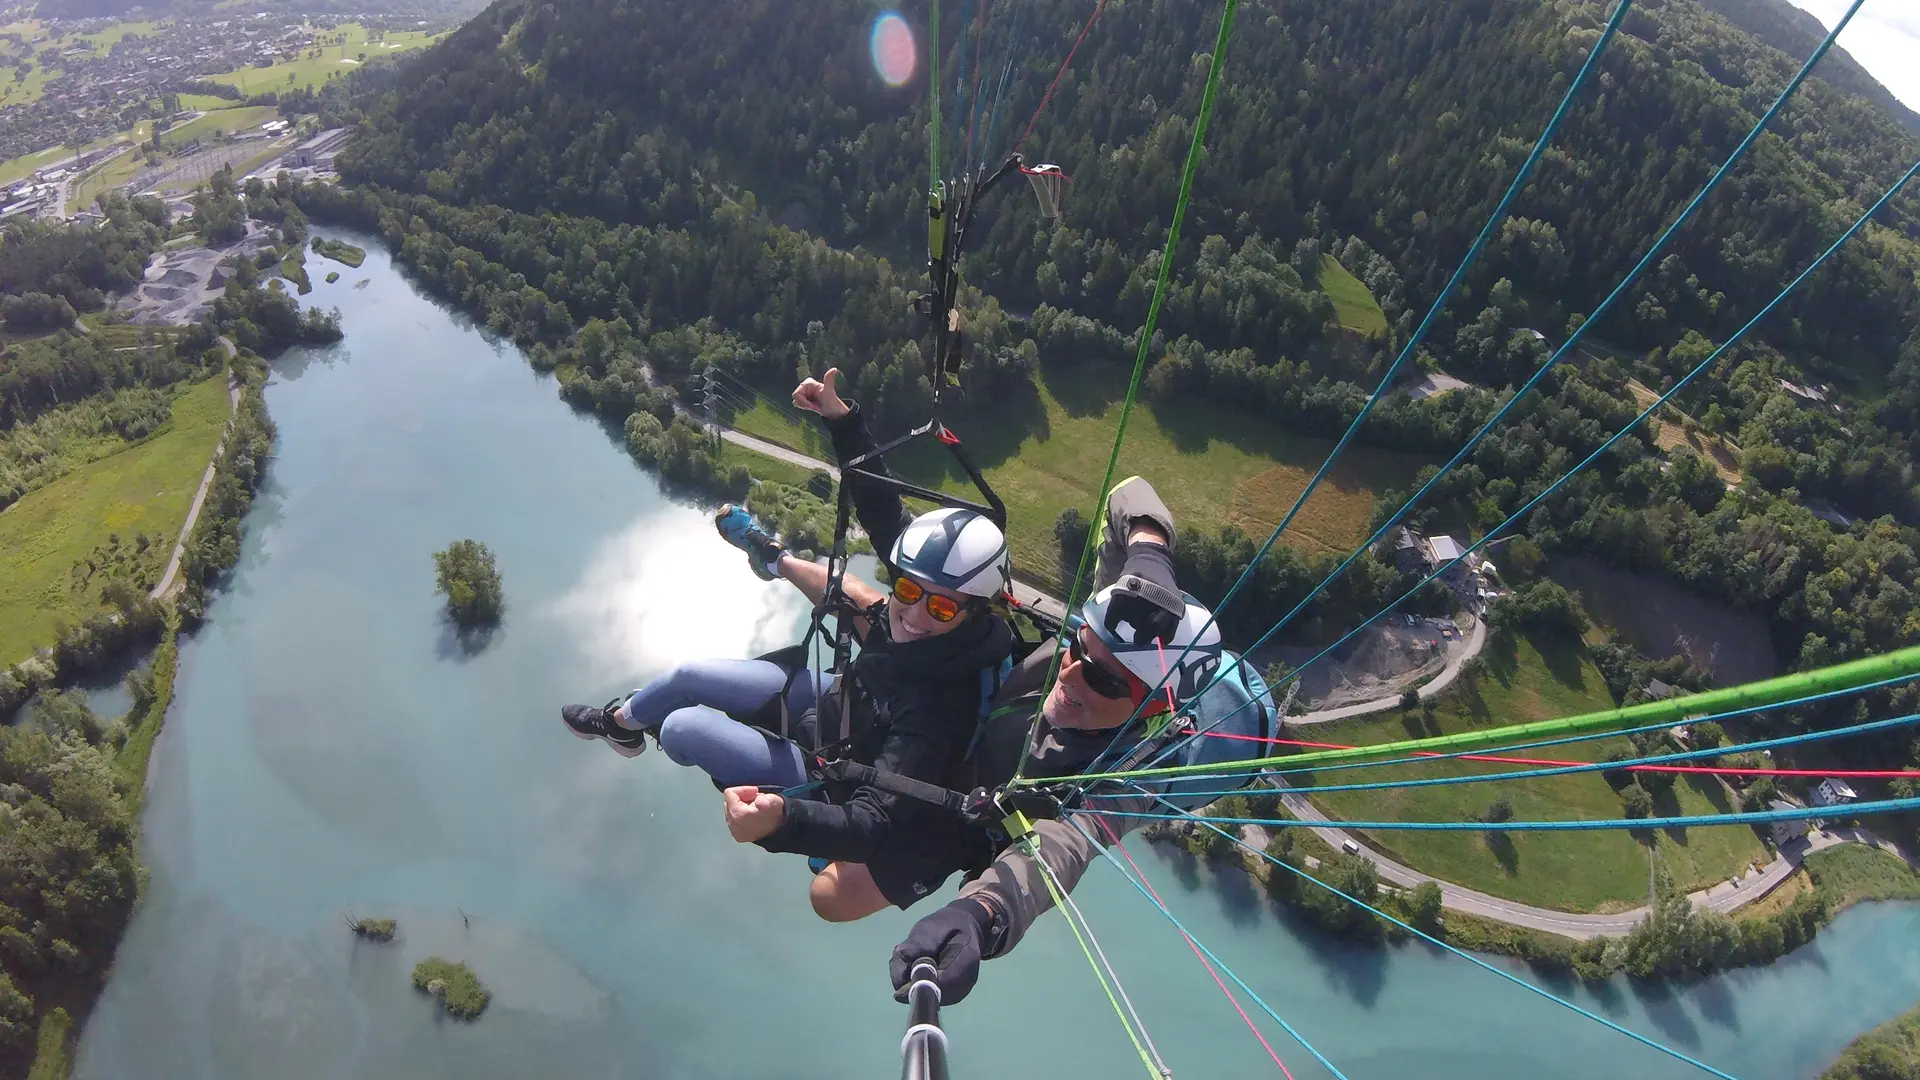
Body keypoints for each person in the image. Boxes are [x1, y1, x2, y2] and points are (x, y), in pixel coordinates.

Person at [560, 368, 1017, 922]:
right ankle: (623, 725)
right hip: (838, 703)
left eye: (940, 607)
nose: (915, 613)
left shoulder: (938, 712)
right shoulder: (926, 620)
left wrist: (782, 822)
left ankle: (662, 722)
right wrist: (843, 419)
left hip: (831, 769)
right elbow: (882, 512)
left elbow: (873, 821)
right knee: (686, 677)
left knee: (682, 726)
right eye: (908, 588)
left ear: (975, 610)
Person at [885, 496, 1278, 1004]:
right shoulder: (1119, 622)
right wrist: (1150, 558)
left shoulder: (1132, 780)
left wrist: (980, 914)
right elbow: (1129, 494)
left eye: (1102, 679)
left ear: (1154, 707)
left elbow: (1062, 849)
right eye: (1076, 646)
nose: (1070, 674)